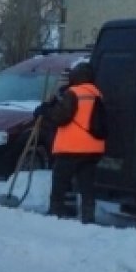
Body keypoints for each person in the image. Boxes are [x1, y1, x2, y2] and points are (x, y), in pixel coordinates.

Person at [33, 60, 104, 223]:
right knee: (87, 185)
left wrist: (45, 111)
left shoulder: (73, 94)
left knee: (60, 182)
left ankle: (55, 213)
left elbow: (61, 117)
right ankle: (88, 217)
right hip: (93, 148)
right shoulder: (96, 93)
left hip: (72, 148)